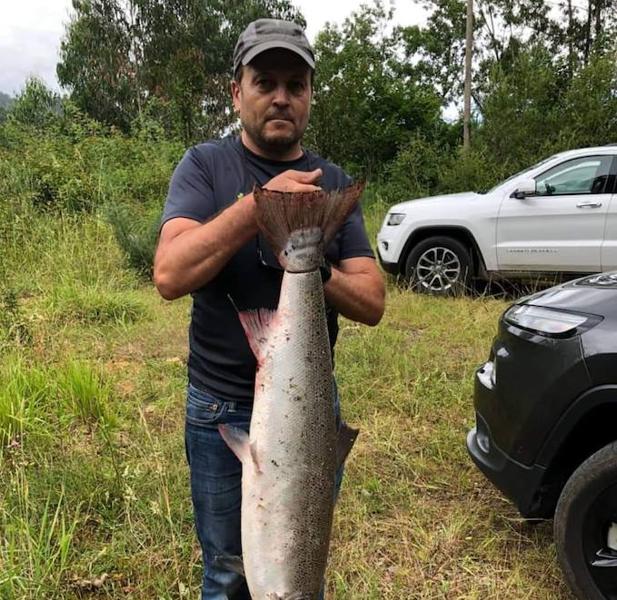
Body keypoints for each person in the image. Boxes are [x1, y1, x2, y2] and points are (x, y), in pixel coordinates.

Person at [153, 17, 385, 600]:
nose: (281, 96)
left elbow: (373, 301)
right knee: (229, 569)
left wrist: (308, 261)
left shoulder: (330, 183)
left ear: (309, 96)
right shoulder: (204, 166)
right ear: (238, 92)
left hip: (308, 411)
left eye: (296, 84)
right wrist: (256, 211)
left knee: (298, 560)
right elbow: (169, 274)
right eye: (265, 81)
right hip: (217, 404)